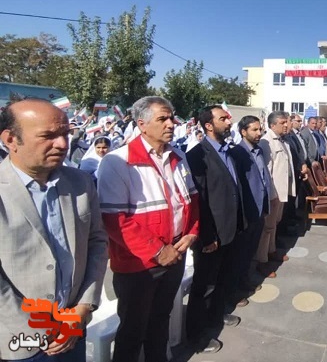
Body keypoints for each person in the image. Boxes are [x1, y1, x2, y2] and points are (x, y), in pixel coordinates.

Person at [0, 99, 109, 361]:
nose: (62, 144)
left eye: (65, 134)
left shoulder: (80, 182)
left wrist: (83, 307)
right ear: (10, 140)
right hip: (20, 340)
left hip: (74, 328)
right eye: (48, 136)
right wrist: (40, 329)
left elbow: (97, 242)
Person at [97, 96, 200, 362]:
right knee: (133, 330)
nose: (171, 124)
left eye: (171, 117)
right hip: (138, 263)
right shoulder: (117, 161)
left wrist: (192, 232)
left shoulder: (178, 156)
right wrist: (158, 251)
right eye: (162, 119)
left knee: (160, 320)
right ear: (141, 124)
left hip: (175, 254)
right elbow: (114, 219)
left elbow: (192, 200)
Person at [185, 105, 245, 353]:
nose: (229, 122)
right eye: (223, 119)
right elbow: (200, 200)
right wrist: (208, 236)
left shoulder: (227, 150)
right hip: (212, 234)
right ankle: (196, 335)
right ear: (209, 125)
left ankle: (216, 315)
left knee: (223, 279)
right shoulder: (197, 156)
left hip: (231, 228)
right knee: (203, 286)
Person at [230, 116, 271, 293]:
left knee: (251, 248)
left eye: (259, 129)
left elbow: (263, 178)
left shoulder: (258, 150)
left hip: (259, 208)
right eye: (254, 130)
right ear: (243, 131)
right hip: (247, 210)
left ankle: (245, 279)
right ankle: (237, 287)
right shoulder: (237, 153)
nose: (259, 133)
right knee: (241, 252)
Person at [256, 111, 295, 278]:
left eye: (286, 122)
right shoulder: (266, 142)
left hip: (281, 191)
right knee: (267, 228)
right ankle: (261, 260)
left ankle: (271, 251)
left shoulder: (282, 140)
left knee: (274, 224)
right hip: (274, 193)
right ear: (272, 125)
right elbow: (266, 171)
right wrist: (270, 195)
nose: (286, 125)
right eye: (282, 123)